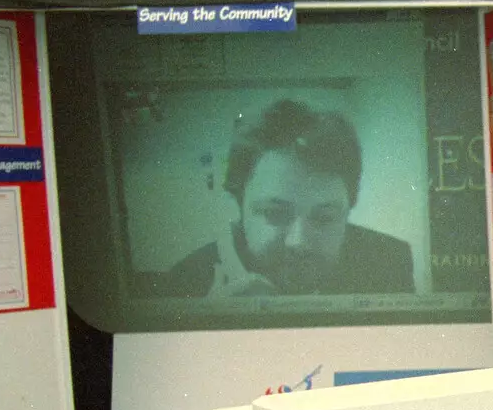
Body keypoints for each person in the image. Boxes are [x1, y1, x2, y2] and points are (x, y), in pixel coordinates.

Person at [164, 99, 413, 297]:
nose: (299, 242)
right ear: (239, 207)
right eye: (275, 214)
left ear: (349, 207)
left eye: (325, 218)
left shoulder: (389, 262)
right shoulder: (186, 283)